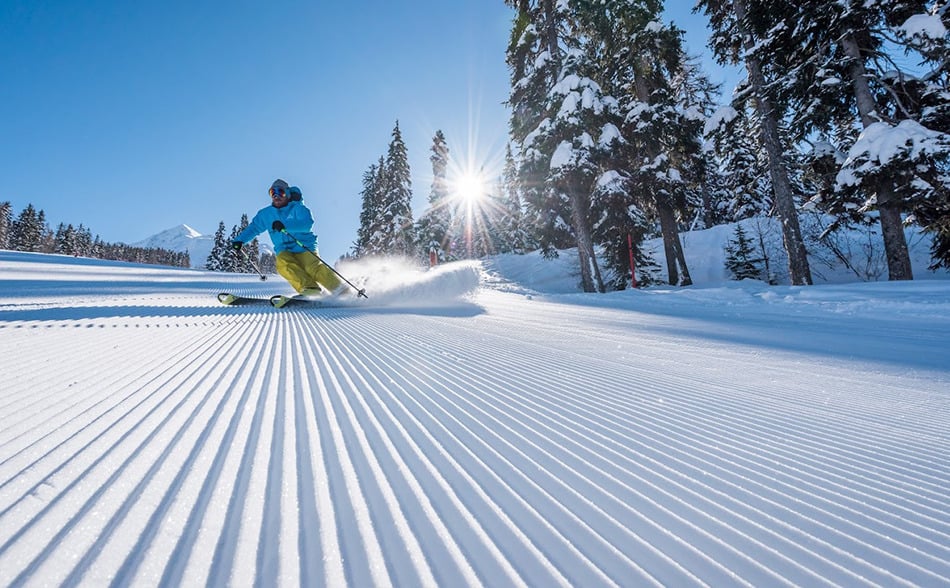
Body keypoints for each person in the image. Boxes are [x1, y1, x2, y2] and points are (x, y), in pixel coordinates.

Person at [231, 179, 343, 296]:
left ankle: (340, 289)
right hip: (284, 248)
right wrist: (240, 240)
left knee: (312, 268)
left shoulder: (298, 208)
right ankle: (309, 288)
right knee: (283, 264)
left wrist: (285, 226)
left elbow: (307, 224)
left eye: (281, 192)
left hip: (304, 245)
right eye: (272, 193)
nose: (276, 196)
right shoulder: (266, 214)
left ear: (288, 194)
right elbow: (254, 228)